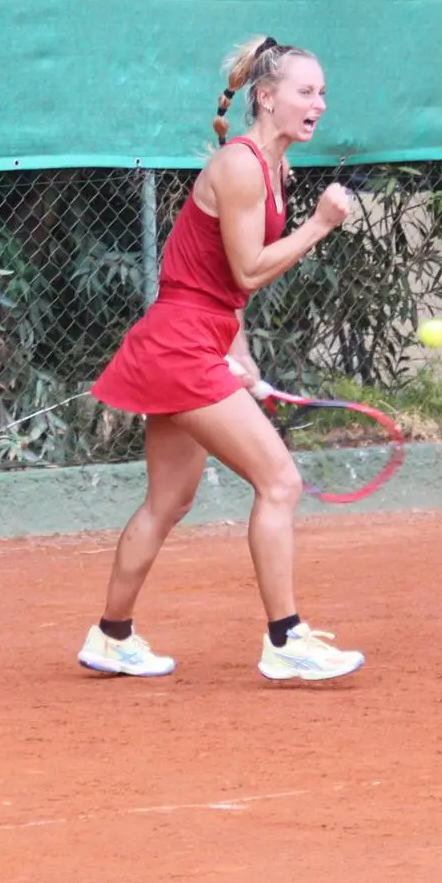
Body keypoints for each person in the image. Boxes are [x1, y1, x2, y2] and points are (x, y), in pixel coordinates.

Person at [79, 36, 364, 682]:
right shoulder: (240, 167)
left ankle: (111, 635)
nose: (317, 103)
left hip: (190, 340)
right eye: (304, 91)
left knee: (168, 501)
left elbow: (220, 284)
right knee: (280, 482)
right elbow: (246, 268)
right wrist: (318, 225)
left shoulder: (273, 171)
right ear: (265, 96)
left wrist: (240, 355)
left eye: (321, 92)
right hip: (179, 345)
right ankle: (285, 638)